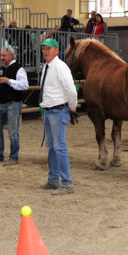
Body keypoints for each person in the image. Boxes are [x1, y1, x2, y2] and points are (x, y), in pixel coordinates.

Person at [38, 38, 78, 195]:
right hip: (49, 111)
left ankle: (67, 183)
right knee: (52, 147)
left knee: (59, 147)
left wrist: (72, 106)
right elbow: (47, 90)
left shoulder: (60, 67)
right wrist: (43, 110)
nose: (45, 51)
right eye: (44, 48)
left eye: (49, 48)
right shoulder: (47, 67)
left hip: (57, 110)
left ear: (56, 50)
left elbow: (71, 90)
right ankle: (54, 179)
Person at [0, 46, 29, 166]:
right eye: (1, 55)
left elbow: (24, 85)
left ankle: (14, 156)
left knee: (12, 131)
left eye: (4, 56)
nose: (1, 58)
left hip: (13, 103)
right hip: (2, 103)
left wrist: (9, 81)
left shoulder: (19, 69)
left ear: (11, 56)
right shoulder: (1, 69)